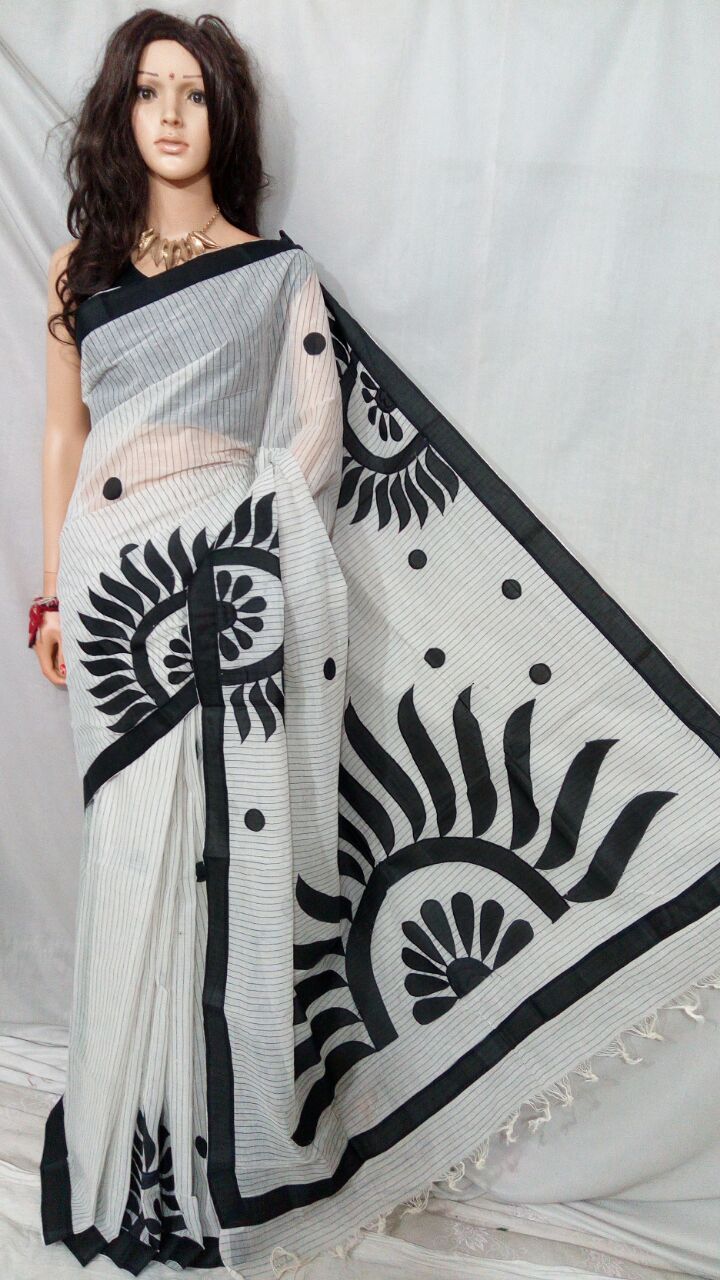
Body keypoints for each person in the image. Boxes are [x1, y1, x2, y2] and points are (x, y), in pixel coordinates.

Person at [33, 10, 720, 1280]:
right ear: (120, 113)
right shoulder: (83, 268)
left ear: (224, 116)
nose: (171, 115)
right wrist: (50, 598)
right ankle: (130, 1137)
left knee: (211, 871)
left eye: (194, 93)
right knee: (128, 854)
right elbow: (63, 437)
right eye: (148, 92)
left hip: (220, 594)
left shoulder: (269, 272)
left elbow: (317, 436)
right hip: (115, 602)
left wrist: (241, 546)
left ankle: (208, 1158)